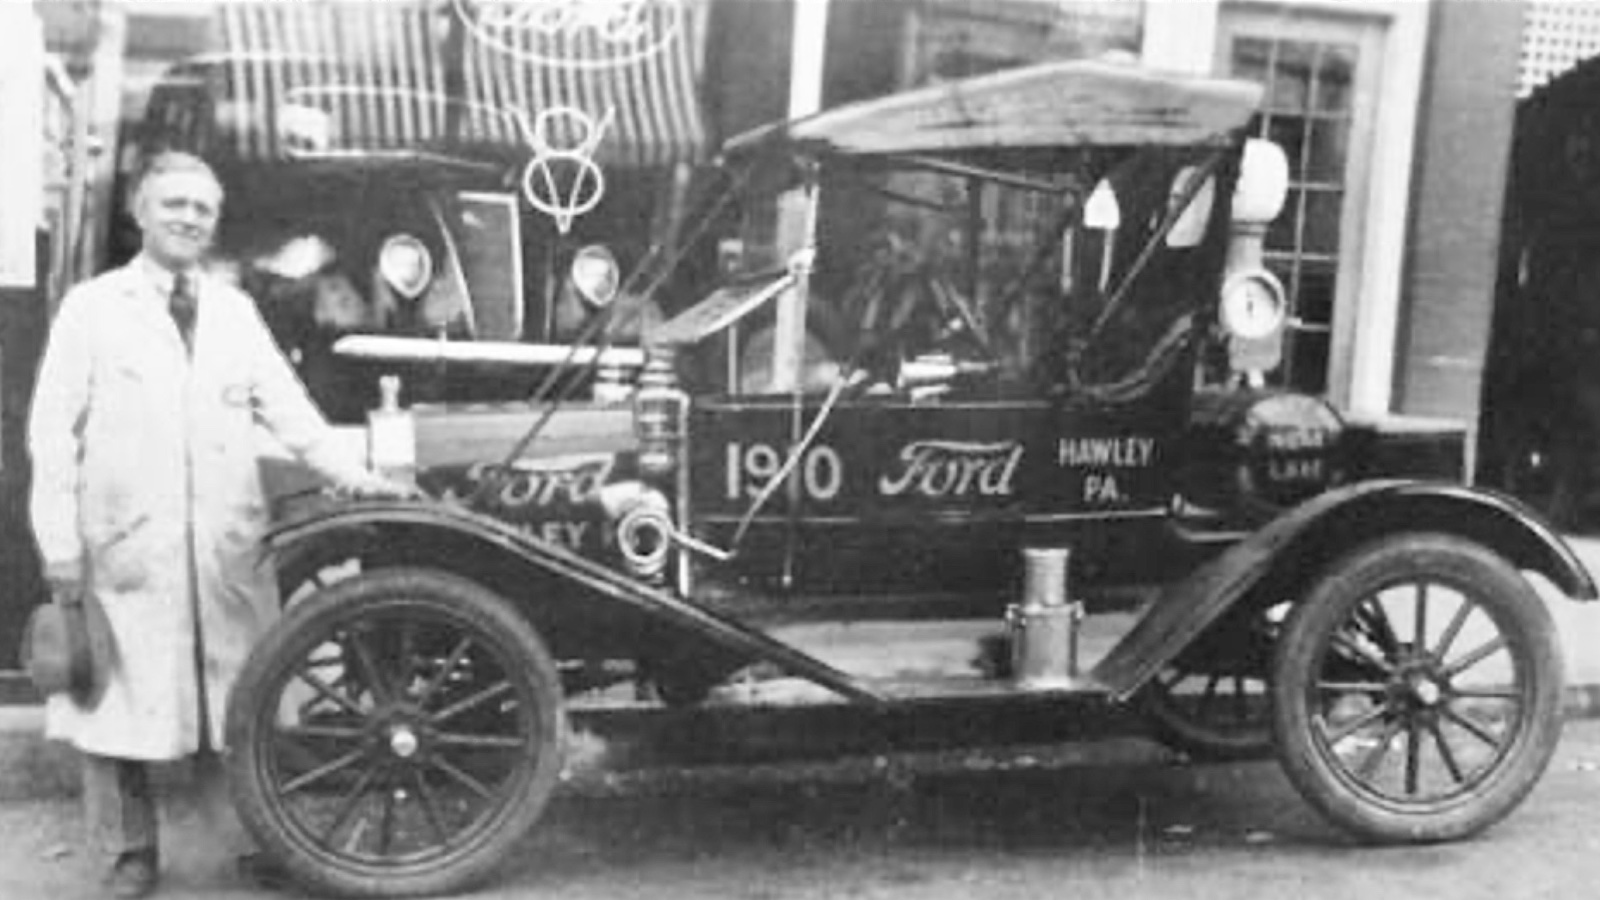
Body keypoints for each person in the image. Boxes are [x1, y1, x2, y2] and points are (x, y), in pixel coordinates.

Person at [26, 150, 406, 897]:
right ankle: (127, 854)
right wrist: (59, 544)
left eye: (202, 209)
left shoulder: (234, 312)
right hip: (126, 541)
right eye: (174, 204)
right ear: (140, 211)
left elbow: (293, 414)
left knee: (241, 697)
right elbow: (51, 433)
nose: (189, 218)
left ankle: (254, 843)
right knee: (112, 698)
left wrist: (358, 477)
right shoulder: (93, 309)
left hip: (224, 544)